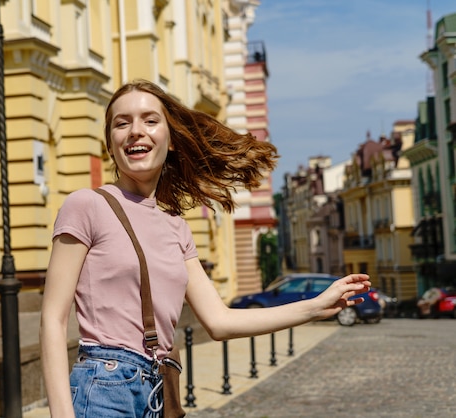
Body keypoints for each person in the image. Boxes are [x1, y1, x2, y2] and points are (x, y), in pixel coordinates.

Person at [40, 79, 371, 418]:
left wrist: (315, 307)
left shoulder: (176, 227)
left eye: (150, 120)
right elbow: (53, 319)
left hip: (159, 391)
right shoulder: (87, 206)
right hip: (104, 389)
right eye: (122, 123)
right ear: (111, 144)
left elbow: (219, 321)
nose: (136, 130)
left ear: (170, 140)